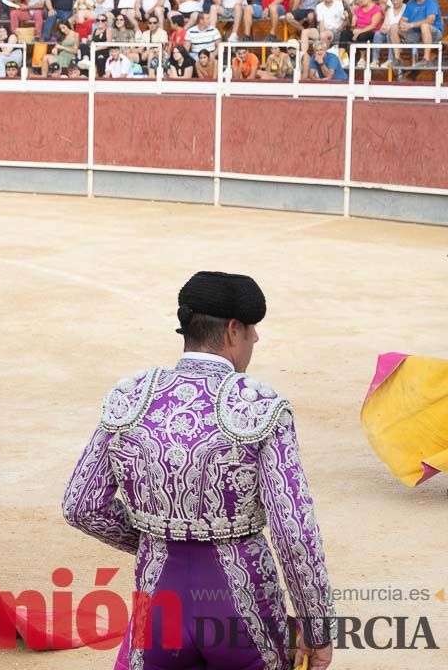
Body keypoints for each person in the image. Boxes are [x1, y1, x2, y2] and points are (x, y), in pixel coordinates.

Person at [63, 271, 336, 670]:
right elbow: (293, 533)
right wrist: (317, 631)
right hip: (241, 603)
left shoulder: (133, 397)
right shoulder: (259, 406)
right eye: (252, 330)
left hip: (157, 599)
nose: (255, 340)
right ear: (232, 330)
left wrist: (152, 539)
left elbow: (81, 506)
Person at [390, 0, 443, 67]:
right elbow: (404, 18)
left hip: (434, 33)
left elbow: (431, 20)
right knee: (394, 27)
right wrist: (402, 25)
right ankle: (397, 59)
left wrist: (410, 25)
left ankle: (426, 59)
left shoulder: (431, 1)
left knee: (424, 26)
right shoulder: (411, 2)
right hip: (415, 33)